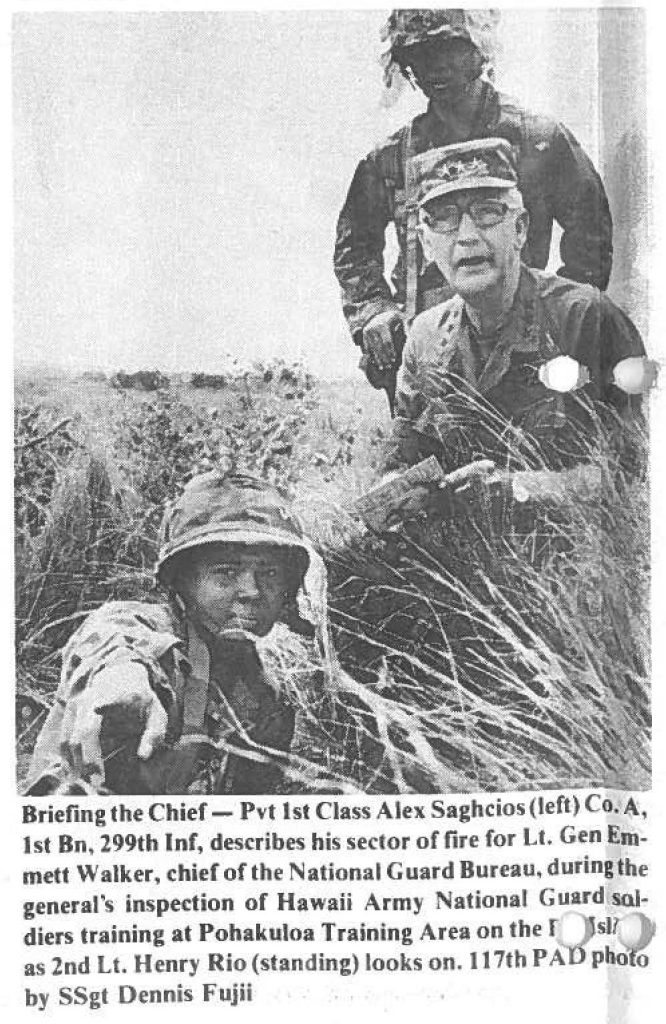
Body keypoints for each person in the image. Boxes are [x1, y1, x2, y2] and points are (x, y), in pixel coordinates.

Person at [334, 8, 614, 405]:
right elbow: (354, 244)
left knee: (527, 464)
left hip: (525, 354)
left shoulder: (538, 140)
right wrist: (373, 312)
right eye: (420, 54)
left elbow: (591, 229)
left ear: (477, 49)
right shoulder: (389, 159)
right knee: (422, 464)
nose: (435, 65)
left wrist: (562, 317)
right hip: (428, 359)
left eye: (449, 48)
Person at [24, 473, 332, 796]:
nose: (252, 591)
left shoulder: (266, 702)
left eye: (268, 573)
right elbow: (116, 636)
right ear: (184, 581)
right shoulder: (155, 639)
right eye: (226, 572)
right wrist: (121, 679)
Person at [382, 137, 651, 484]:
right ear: (427, 243)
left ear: (520, 229)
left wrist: (520, 488)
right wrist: (392, 491)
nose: (466, 235)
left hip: (562, 536)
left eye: (488, 212)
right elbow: (401, 460)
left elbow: (633, 473)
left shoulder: (584, 318)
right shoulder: (425, 337)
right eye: (444, 219)